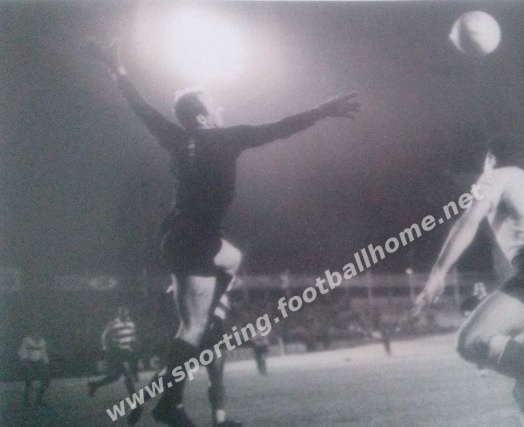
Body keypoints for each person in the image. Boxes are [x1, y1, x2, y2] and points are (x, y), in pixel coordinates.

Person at [85, 39, 360, 427]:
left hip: (183, 237)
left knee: (231, 260)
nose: (221, 108)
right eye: (214, 105)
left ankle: (196, 337)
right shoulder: (225, 138)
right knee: (192, 328)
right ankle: (169, 406)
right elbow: (279, 129)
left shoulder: (177, 137)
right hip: (194, 240)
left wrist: (118, 70)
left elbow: (140, 108)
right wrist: (322, 110)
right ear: (201, 117)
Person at [415, 135, 524, 427]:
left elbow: (469, 221)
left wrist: (438, 272)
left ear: (491, 159)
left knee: (470, 342)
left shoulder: (496, 175)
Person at [88, 306, 139, 399]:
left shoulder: (131, 324)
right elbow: (104, 336)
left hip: (127, 352)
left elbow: (133, 336)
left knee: (115, 376)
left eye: (126, 313)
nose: (125, 315)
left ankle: (94, 385)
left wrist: (133, 345)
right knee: (127, 375)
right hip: (117, 352)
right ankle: (135, 400)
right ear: (119, 314)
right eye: (122, 314)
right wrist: (105, 348)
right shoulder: (113, 324)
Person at [18, 329, 51, 407]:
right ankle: (26, 401)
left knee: (45, 380)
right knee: (29, 381)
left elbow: (44, 353)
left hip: (39, 362)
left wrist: (46, 362)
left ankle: (39, 400)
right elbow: (22, 352)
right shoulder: (26, 341)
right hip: (28, 362)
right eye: (35, 332)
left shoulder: (42, 342)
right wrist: (25, 362)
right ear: (32, 333)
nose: (37, 334)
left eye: (39, 333)